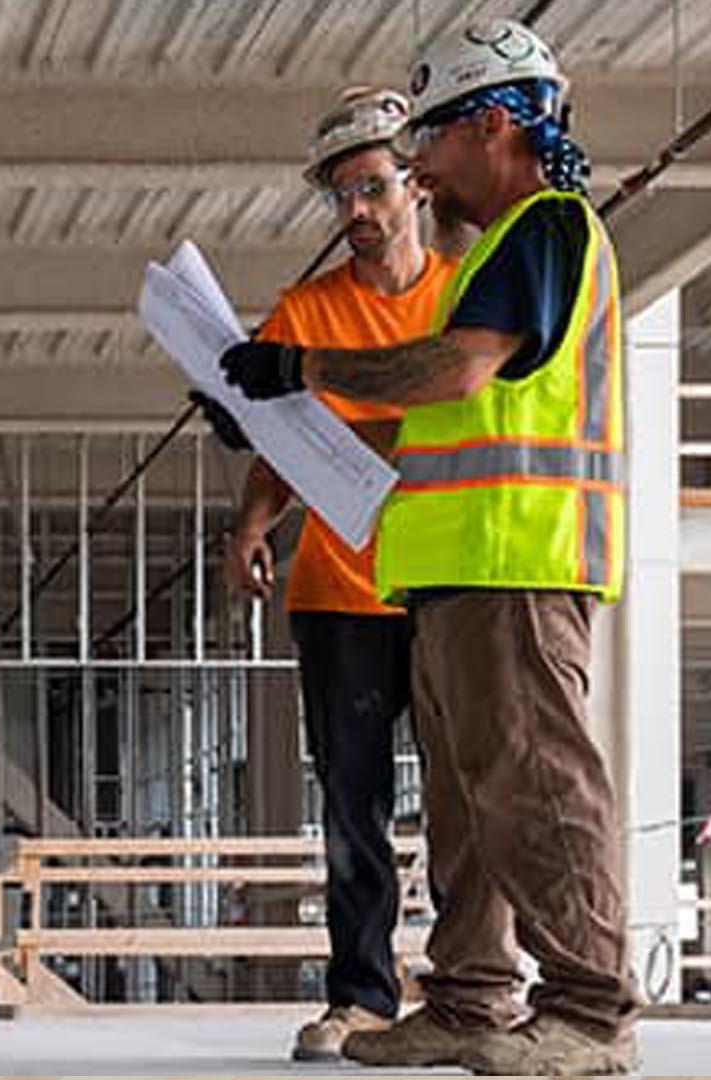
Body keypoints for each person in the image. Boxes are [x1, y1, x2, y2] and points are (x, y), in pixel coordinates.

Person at [220, 19, 639, 1075]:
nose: (417, 171)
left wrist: (307, 374)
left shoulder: (546, 227)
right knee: (471, 807)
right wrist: (275, 417)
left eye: (430, 145)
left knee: (539, 790)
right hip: (453, 573)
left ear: (493, 125)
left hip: (520, 562)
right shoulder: (496, 248)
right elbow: (425, 408)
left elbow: (455, 372)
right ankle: (468, 1001)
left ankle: (591, 1012)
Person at [192, 86, 471, 1062]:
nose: (354, 212)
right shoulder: (310, 310)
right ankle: (360, 997)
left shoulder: (461, 301)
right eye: (339, 195)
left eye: (370, 188)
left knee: (463, 798)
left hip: (442, 583)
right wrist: (252, 524)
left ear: (416, 188)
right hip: (337, 595)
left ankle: (472, 993)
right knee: (352, 806)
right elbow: (283, 437)